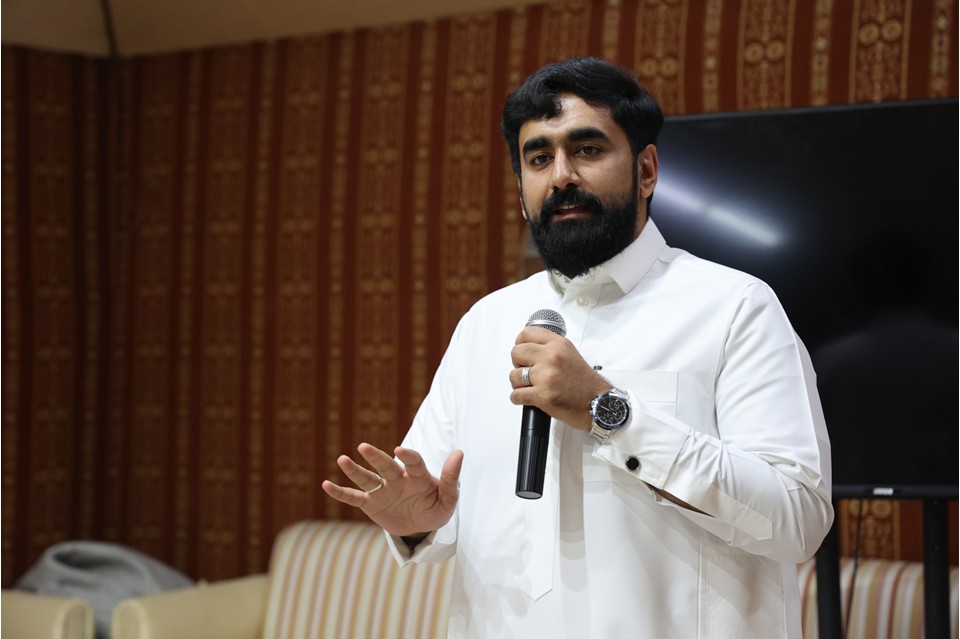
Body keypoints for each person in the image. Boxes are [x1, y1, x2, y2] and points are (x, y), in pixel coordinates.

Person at [322, 56, 833, 638]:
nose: (561, 175)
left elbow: (798, 519)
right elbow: (439, 510)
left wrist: (608, 412)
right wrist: (414, 523)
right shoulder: (485, 323)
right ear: (522, 189)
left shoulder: (735, 307)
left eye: (587, 149)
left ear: (646, 170)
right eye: (538, 158)